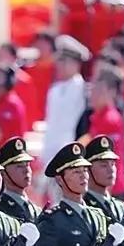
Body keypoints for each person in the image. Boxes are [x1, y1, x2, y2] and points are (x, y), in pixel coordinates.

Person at [41, 36, 90, 187]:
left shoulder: (83, 89)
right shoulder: (54, 90)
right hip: (50, 153)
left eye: (64, 61)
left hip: (70, 154)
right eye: (59, 61)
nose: (59, 66)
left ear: (75, 63)